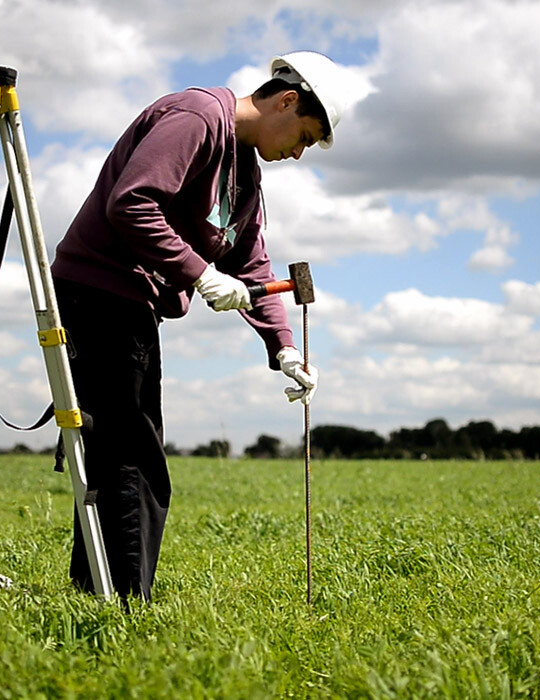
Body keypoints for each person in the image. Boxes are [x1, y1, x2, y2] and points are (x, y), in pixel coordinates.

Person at [50, 51, 357, 604]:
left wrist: (284, 348)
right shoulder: (197, 118)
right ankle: (122, 604)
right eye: (305, 137)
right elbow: (132, 203)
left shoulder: (245, 172)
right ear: (287, 101)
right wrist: (200, 274)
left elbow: (253, 264)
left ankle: (95, 589)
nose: (298, 153)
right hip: (97, 291)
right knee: (132, 453)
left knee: (120, 446)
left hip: (131, 304)